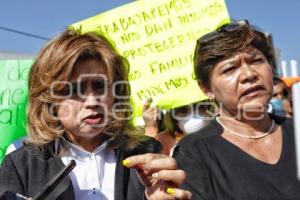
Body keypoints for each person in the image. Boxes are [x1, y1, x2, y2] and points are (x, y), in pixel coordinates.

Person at [0, 30, 192, 200]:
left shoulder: (145, 153)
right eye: (75, 89)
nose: (92, 102)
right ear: (49, 100)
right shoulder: (22, 164)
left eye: (100, 86)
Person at [173, 20, 300, 199]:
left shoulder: (297, 131)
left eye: (256, 61)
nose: (249, 75)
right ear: (206, 89)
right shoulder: (194, 152)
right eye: (229, 69)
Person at [143, 99, 211, 155]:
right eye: (183, 110)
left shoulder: (220, 130)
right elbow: (149, 162)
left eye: (199, 107)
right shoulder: (164, 140)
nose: (193, 115)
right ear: (173, 117)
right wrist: (151, 127)